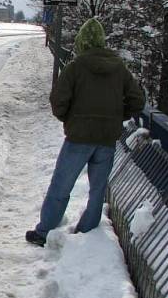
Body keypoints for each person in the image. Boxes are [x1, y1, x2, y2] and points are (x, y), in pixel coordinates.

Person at [26, 17, 144, 247]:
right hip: (106, 139)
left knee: (61, 185)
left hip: (78, 137)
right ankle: (87, 231)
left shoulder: (76, 67)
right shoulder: (119, 67)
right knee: (98, 189)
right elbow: (137, 100)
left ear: (82, 42)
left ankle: (44, 231)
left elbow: (58, 100)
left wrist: (68, 117)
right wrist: (118, 116)